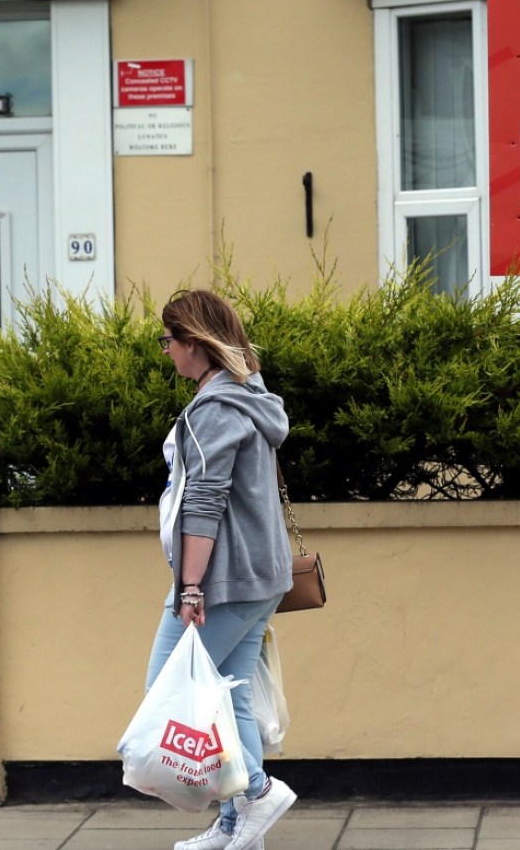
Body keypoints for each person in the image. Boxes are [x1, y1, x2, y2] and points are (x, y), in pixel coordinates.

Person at [148, 289, 297, 850]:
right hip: (264, 573)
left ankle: (257, 794)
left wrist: (191, 587)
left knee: (170, 687)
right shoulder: (252, 396)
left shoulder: (214, 410)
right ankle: (238, 827)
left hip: (226, 580)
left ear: (194, 343)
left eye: (169, 341)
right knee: (227, 695)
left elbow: (204, 502)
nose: (166, 352)